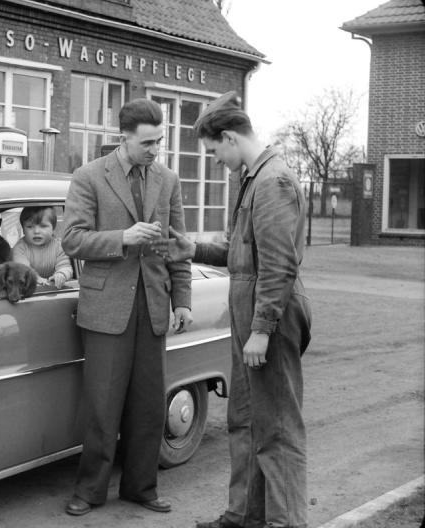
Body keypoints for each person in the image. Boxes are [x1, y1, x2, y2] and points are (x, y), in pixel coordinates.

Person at [163, 91, 312, 528]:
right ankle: (244, 516)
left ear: (228, 137)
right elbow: (241, 253)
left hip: (272, 317)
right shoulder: (254, 178)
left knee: (279, 429)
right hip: (253, 316)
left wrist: (262, 329)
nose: (214, 161)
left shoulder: (273, 182)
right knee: (246, 421)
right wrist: (192, 248)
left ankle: (287, 522)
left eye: (213, 151)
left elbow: (279, 266)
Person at [61, 98, 193, 516]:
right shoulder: (88, 177)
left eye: (160, 141)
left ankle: (141, 488)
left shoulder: (167, 180)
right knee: (103, 406)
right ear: (124, 138)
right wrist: (123, 237)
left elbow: (179, 246)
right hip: (106, 308)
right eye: (148, 142)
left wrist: (183, 300)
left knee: (150, 406)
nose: (156, 150)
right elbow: (73, 240)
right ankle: (89, 491)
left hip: (153, 305)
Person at [12, 206, 73, 288]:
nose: (36, 231)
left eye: (43, 226)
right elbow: (23, 269)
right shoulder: (20, 248)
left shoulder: (59, 246)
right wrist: (37, 278)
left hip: (53, 289)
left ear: (53, 228)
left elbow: (65, 266)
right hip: (28, 290)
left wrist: (61, 274)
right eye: (30, 227)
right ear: (23, 229)